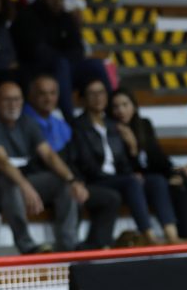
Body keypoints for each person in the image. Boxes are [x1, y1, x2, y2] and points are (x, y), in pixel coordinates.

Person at [0, 80, 89, 254]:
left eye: (17, 99)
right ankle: (27, 246)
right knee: (11, 184)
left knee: (63, 183)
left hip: (18, 182)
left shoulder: (28, 123)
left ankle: (69, 243)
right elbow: (2, 162)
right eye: (7, 100)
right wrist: (26, 187)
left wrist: (72, 180)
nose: (13, 104)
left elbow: (49, 155)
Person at [71, 78, 175, 245]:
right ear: (83, 99)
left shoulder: (114, 125)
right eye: (92, 93)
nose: (98, 97)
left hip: (118, 179)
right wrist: (127, 177)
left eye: (101, 92)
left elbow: (123, 160)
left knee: (157, 181)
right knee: (131, 182)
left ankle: (172, 235)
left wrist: (130, 171)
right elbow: (84, 162)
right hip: (96, 180)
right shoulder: (78, 126)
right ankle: (149, 236)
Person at [24, 74, 121, 250]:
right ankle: (68, 248)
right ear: (31, 96)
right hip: (39, 183)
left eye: (52, 93)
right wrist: (72, 180)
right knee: (68, 190)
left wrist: (78, 180)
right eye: (42, 93)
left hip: (67, 179)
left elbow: (72, 158)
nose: (48, 98)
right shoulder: (25, 122)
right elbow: (47, 159)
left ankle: (94, 249)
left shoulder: (60, 124)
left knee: (110, 198)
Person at [111, 87, 187, 241]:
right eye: (116, 106)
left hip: (149, 178)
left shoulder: (144, 125)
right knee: (151, 181)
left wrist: (174, 172)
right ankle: (153, 238)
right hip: (127, 180)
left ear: (134, 106)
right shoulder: (112, 130)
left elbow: (157, 156)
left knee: (177, 184)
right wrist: (132, 148)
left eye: (125, 105)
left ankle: (178, 236)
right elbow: (116, 165)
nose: (121, 110)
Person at [12, 0, 110, 121]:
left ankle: (111, 112)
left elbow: (79, 50)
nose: (57, 1)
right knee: (61, 64)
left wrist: (64, 57)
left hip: (65, 66)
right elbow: (36, 51)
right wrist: (64, 57)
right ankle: (70, 119)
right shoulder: (27, 16)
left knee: (95, 64)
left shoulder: (66, 17)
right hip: (35, 69)